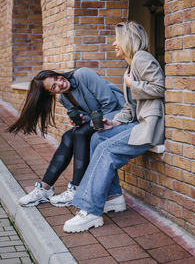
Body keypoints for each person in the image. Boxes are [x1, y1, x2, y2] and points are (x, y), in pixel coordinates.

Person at [63, 21, 165, 233]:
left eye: (117, 40)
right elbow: (130, 107)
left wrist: (131, 85)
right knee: (97, 137)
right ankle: (114, 196)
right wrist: (115, 122)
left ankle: (90, 210)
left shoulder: (142, 58)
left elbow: (160, 87)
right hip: (138, 123)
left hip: (149, 128)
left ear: (128, 40)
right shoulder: (130, 65)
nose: (113, 44)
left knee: (105, 149)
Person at [8, 67, 125, 207]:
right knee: (68, 137)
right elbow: (89, 114)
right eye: (54, 86)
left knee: (80, 133)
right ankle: (45, 188)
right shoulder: (64, 98)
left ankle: (76, 188)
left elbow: (110, 103)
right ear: (51, 93)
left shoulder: (83, 74)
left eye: (57, 78)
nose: (60, 83)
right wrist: (82, 119)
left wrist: (91, 120)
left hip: (119, 114)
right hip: (101, 118)